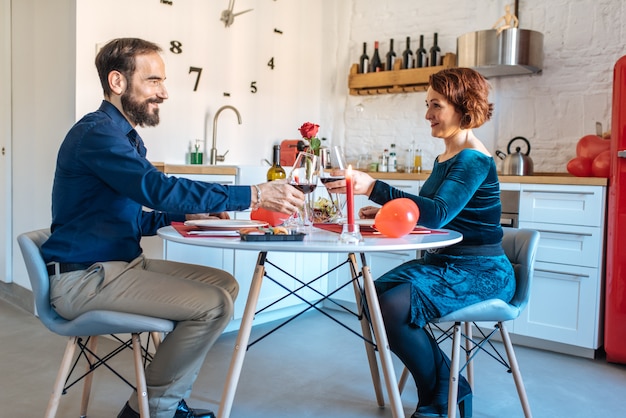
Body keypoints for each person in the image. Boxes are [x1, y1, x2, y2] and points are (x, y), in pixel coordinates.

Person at [40, 38, 304, 418]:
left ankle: (161, 400)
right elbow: (158, 190)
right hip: (84, 279)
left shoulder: (124, 139)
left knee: (224, 285)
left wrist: (185, 217)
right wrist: (255, 194)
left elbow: (131, 217)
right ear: (117, 82)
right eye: (153, 81)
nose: (164, 92)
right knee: (214, 307)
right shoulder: (97, 135)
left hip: (117, 265)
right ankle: (149, 410)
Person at [327, 67, 515, 418]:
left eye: (436, 105)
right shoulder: (447, 156)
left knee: (391, 307)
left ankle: (438, 396)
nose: (427, 115)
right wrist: (384, 213)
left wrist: (373, 187)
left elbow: (437, 213)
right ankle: (446, 386)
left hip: (481, 271)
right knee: (371, 294)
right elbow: (429, 212)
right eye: (428, 104)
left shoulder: (473, 159)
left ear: (464, 107)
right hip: (443, 265)